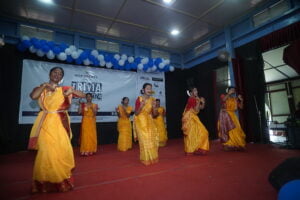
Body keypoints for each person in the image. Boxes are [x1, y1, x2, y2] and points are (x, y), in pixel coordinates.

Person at [28, 67, 85, 193]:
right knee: (46, 152)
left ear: (61, 78)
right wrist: (44, 86)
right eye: (55, 72)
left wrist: (72, 90)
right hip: (45, 124)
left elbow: (83, 95)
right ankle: (42, 183)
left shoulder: (63, 89)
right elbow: (33, 96)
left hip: (60, 124)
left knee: (62, 151)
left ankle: (60, 180)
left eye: (60, 74)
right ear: (50, 74)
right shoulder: (42, 88)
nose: (57, 75)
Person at [134, 83, 159, 165]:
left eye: (150, 88)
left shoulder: (153, 100)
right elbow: (136, 113)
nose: (149, 90)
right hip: (140, 121)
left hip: (149, 121)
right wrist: (141, 106)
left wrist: (155, 107)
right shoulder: (139, 99)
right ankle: (146, 159)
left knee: (151, 139)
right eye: (147, 88)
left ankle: (151, 157)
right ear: (143, 90)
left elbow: (155, 115)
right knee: (144, 140)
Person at [182, 86, 209, 155]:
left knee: (201, 132)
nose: (196, 92)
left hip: (194, 116)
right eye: (195, 91)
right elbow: (196, 110)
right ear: (191, 93)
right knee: (192, 134)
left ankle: (197, 148)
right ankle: (191, 149)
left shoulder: (196, 99)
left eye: (197, 90)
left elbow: (201, 108)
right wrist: (199, 101)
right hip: (189, 117)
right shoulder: (191, 99)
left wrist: (203, 102)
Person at [218, 86, 246, 151]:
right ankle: (227, 144)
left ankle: (237, 144)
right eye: (231, 89)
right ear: (228, 90)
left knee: (236, 129)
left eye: (233, 90)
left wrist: (241, 101)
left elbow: (241, 107)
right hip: (225, 116)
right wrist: (229, 94)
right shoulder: (223, 96)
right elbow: (223, 100)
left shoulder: (234, 99)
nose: (233, 90)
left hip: (233, 116)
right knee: (228, 131)